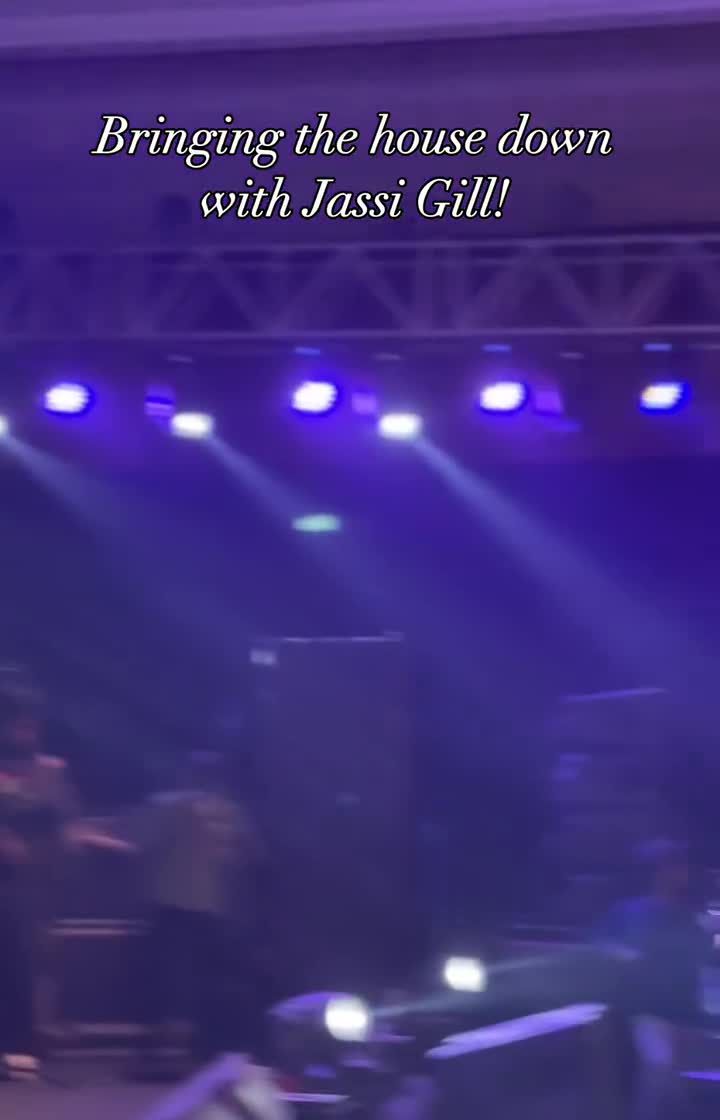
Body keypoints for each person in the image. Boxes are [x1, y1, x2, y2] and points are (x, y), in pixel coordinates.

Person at [139, 751, 258, 1064]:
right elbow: (248, 853)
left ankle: (171, 1045)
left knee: (174, 973)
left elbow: (142, 841)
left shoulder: (169, 805)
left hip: (174, 899)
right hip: (216, 904)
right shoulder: (232, 811)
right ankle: (206, 1044)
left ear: (188, 773)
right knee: (208, 975)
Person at [593, 838, 713, 1117]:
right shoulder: (630, 912)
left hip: (682, 1009)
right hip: (649, 1010)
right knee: (659, 1069)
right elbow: (601, 945)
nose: (685, 873)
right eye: (678, 866)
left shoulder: (686, 915)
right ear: (661, 871)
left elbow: (700, 954)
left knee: (671, 1079)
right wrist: (623, 956)